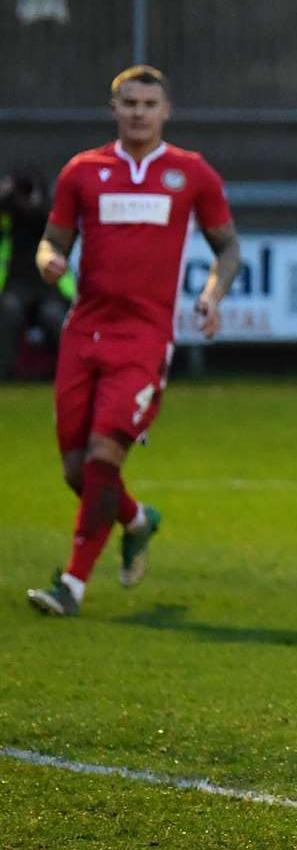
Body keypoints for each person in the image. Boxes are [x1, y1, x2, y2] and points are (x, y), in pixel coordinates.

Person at [27, 65, 241, 617]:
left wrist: (212, 296)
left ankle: (70, 585)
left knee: (102, 458)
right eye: (129, 103)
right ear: (114, 109)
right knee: (77, 470)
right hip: (83, 335)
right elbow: (52, 240)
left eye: (149, 103)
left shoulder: (190, 173)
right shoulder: (83, 171)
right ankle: (137, 520)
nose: (139, 112)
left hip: (142, 341)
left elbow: (228, 249)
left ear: (165, 111)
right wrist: (50, 259)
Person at [1, 172, 72, 379]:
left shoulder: (50, 214)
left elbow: (42, 216)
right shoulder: (9, 216)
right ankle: (5, 373)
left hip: (47, 287)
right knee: (9, 312)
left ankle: (68, 373)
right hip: (17, 284)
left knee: (56, 317)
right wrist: (9, 196)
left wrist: (27, 200)